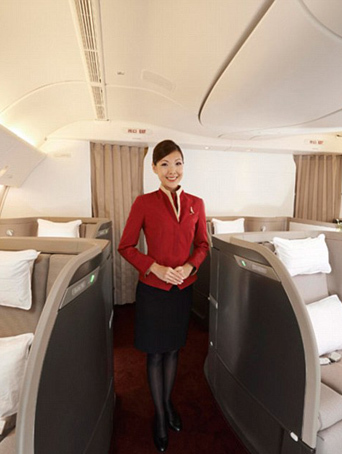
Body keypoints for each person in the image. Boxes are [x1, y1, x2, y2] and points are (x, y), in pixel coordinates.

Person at [118, 139, 209, 452]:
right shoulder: (144, 203)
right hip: (154, 292)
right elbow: (126, 246)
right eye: (165, 164)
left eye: (178, 163)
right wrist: (154, 267)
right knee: (155, 353)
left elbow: (203, 245)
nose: (173, 170)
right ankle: (159, 416)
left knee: (173, 351)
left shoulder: (196, 203)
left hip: (182, 290)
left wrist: (189, 266)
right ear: (155, 168)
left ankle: (167, 404)